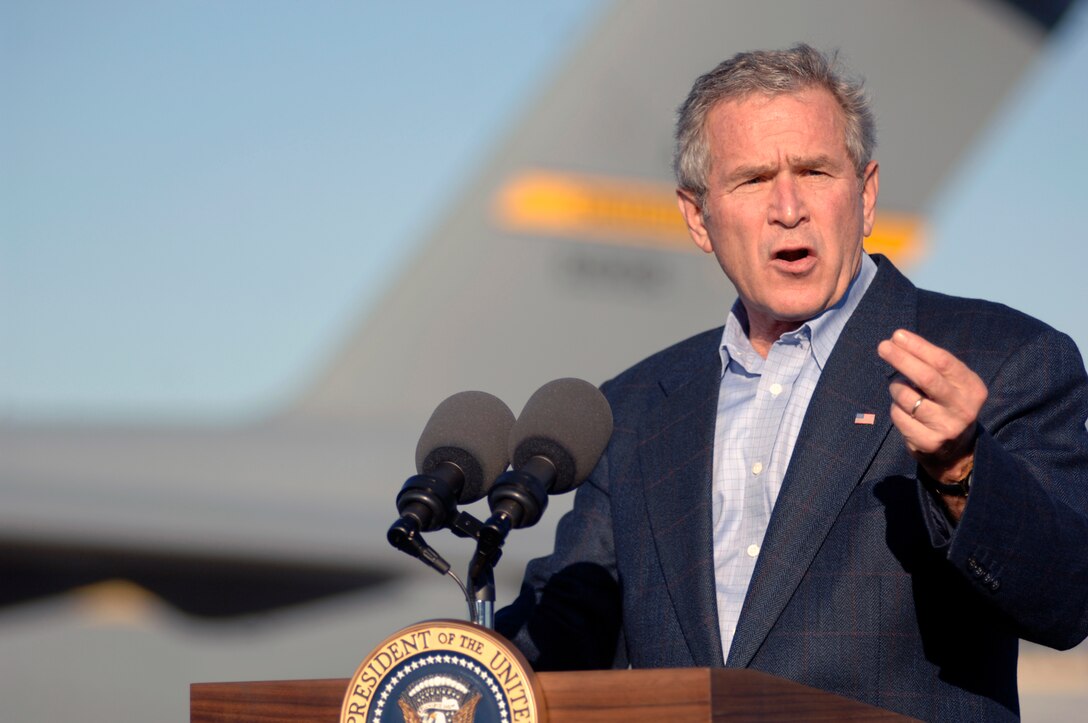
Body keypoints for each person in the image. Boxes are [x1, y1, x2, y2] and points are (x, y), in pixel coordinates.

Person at [495, 44, 1088, 721]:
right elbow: (569, 628)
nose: (788, 207)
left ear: (864, 195)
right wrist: (452, 672)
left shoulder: (1001, 357)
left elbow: (1067, 599)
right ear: (697, 217)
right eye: (752, 179)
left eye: (813, 170)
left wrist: (963, 470)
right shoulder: (633, 406)